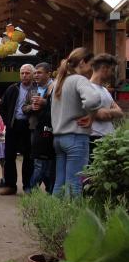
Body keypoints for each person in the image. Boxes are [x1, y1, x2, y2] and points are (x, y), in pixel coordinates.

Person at [51, 47, 102, 196]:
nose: (91, 69)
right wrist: (90, 114)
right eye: (90, 64)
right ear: (82, 62)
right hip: (76, 137)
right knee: (74, 185)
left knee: (59, 184)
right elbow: (93, 100)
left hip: (59, 139)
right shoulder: (79, 80)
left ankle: (55, 217)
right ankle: (71, 219)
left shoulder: (59, 81)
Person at [0, 64, 36, 195]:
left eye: (27, 73)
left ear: (32, 74)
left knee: (29, 157)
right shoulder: (12, 89)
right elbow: (2, 106)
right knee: (9, 156)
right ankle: (10, 186)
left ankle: (28, 186)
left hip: (29, 126)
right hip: (13, 125)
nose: (24, 75)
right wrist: (7, 121)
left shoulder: (37, 89)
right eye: (22, 73)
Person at [88, 53, 123, 156]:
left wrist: (109, 113)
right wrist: (112, 113)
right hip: (95, 140)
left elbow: (120, 112)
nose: (112, 74)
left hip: (107, 139)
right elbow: (100, 115)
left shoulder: (105, 90)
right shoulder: (88, 88)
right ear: (104, 68)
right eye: (112, 70)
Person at [28, 63, 55, 192]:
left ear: (48, 74)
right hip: (36, 128)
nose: (36, 75)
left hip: (50, 128)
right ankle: (46, 190)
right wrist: (30, 107)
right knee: (38, 161)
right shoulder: (33, 89)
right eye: (35, 73)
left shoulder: (54, 87)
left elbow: (57, 105)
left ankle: (32, 190)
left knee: (45, 161)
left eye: (39, 72)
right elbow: (23, 107)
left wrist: (44, 103)